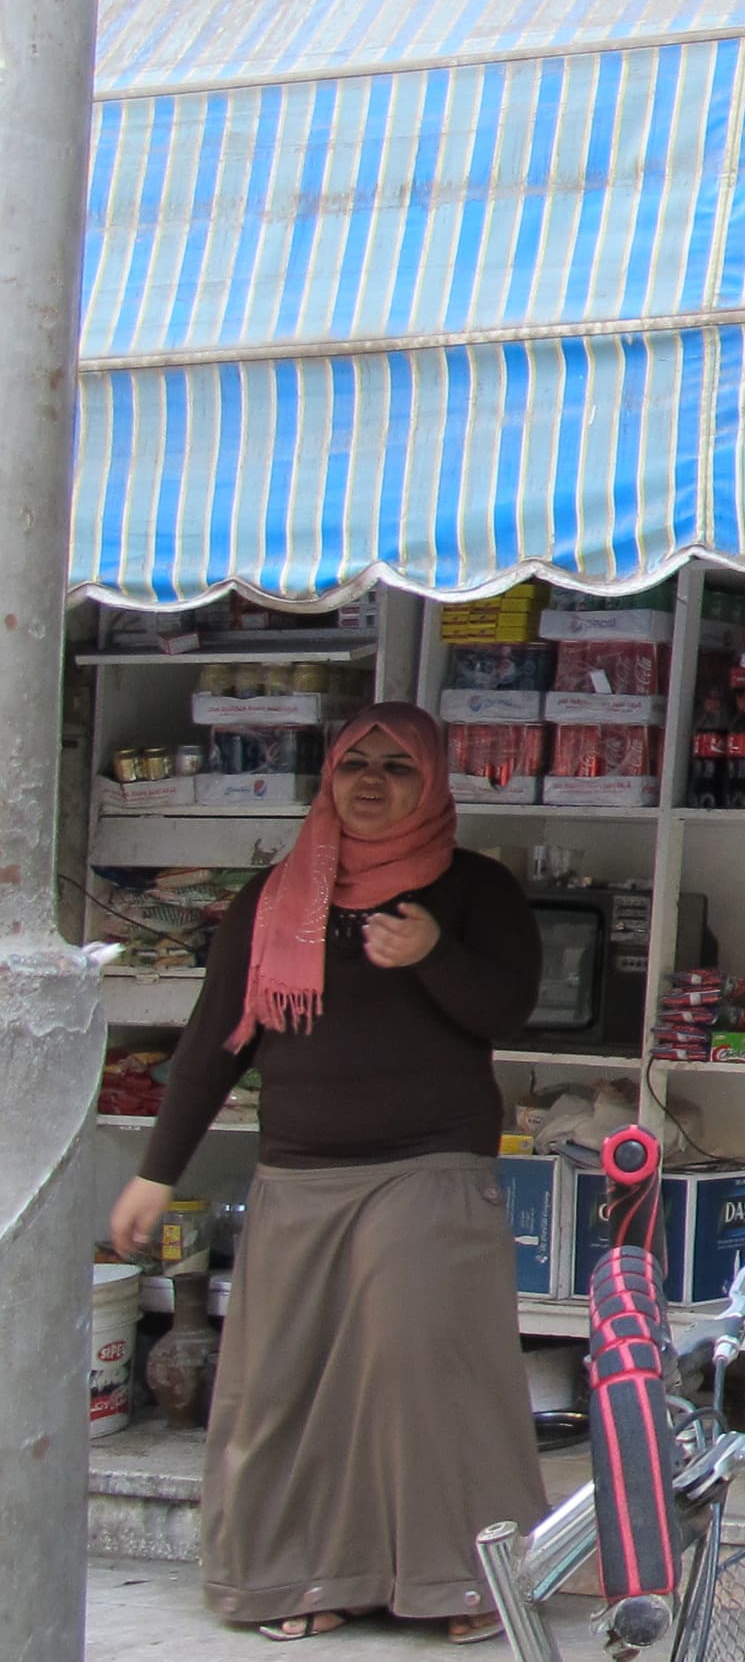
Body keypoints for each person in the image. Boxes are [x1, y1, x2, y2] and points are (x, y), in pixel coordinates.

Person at [111, 704, 547, 1644]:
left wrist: (434, 953)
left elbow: (507, 1011)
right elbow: (209, 1047)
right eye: (358, 763)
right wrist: (155, 1172)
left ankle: (457, 1579)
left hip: (427, 1165)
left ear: (431, 781)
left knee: (424, 1367)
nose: (374, 782)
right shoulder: (273, 899)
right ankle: (299, 1577)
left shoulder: (476, 892)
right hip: (300, 1175)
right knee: (281, 1386)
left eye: (398, 766)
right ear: (331, 773)